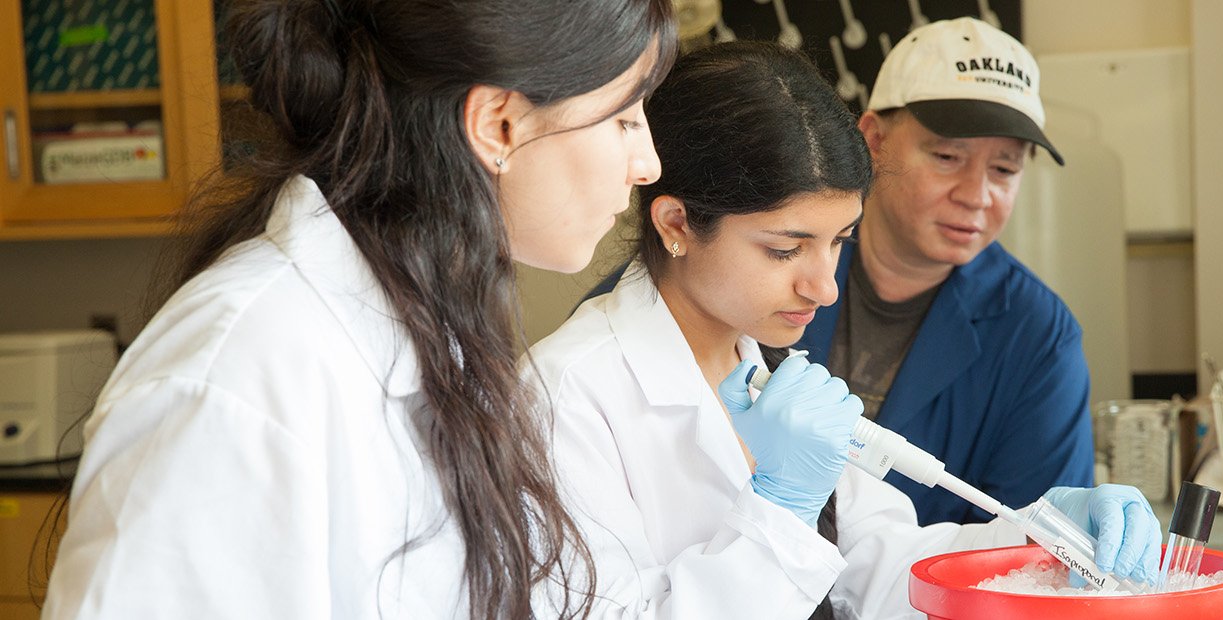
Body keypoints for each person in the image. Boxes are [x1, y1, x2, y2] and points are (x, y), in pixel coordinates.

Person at [41, 1, 675, 618]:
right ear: (498, 125)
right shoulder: (243, 368)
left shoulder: (433, 326)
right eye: (622, 118)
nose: (648, 164)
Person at [526, 41, 1159, 618]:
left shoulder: (766, 361)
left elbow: (881, 564)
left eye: (839, 241)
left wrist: (1038, 542)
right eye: (784, 250)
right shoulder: (562, 398)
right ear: (677, 224)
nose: (825, 287)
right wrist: (782, 509)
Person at [793, 17, 1096, 526]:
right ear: (873, 140)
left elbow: (1032, 557)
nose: (977, 196)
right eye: (948, 156)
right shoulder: (771, 253)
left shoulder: (1037, 335)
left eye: (1004, 169)